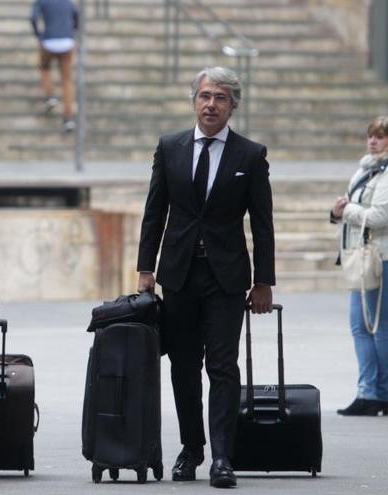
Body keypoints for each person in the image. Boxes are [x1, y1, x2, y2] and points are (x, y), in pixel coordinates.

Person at [136, 67, 275, 489]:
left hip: (227, 277)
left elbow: (263, 223)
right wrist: (146, 269)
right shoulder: (171, 147)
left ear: (233, 106)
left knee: (222, 366)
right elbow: (154, 212)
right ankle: (191, 448)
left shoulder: (250, 155)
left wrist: (264, 280)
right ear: (193, 101)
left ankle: (222, 457)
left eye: (220, 98)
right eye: (204, 96)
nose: (210, 104)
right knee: (182, 366)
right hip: (178, 274)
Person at [331, 116, 388, 416]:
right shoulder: (366, 170)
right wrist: (337, 212)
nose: (374, 141)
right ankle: (370, 391)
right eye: (371, 136)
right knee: (361, 327)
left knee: (379, 328)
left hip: (381, 258)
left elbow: (379, 216)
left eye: (381, 136)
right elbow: (354, 211)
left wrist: (348, 209)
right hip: (362, 256)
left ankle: (377, 392)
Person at [29, 0, 78, 132]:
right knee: (67, 80)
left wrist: (38, 35)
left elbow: (33, 17)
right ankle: (68, 117)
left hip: (49, 41)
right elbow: (76, 16)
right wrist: (72, 32)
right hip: (67, 42)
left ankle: (50, 95)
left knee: (44, 67)